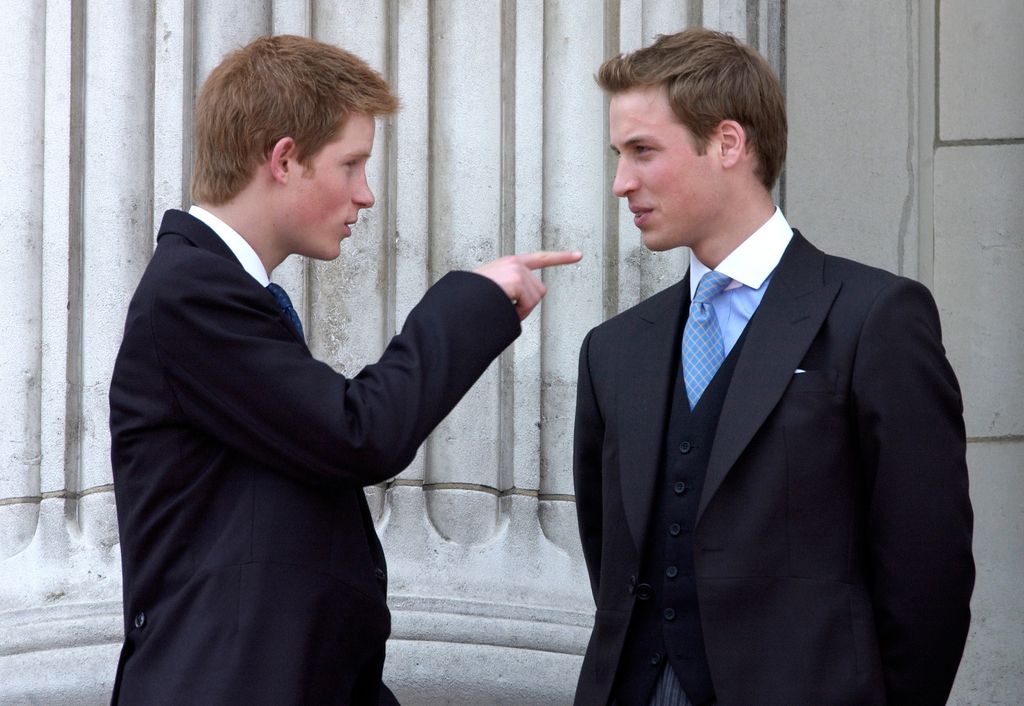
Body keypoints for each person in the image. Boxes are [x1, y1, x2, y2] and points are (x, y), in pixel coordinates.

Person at [108, 34, 580, 705]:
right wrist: (471, 300)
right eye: (351, 165)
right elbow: (357, 432)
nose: (366, 195)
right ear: (284, 159)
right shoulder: (191, 290)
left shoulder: (217, 292)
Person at [572, 27, 973, 706]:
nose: (621, 183)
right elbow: (611, 561)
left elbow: (926, 574)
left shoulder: (874, 318)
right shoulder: (614, 350)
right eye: (618, 155)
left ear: (728, 143)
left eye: (643, 151)